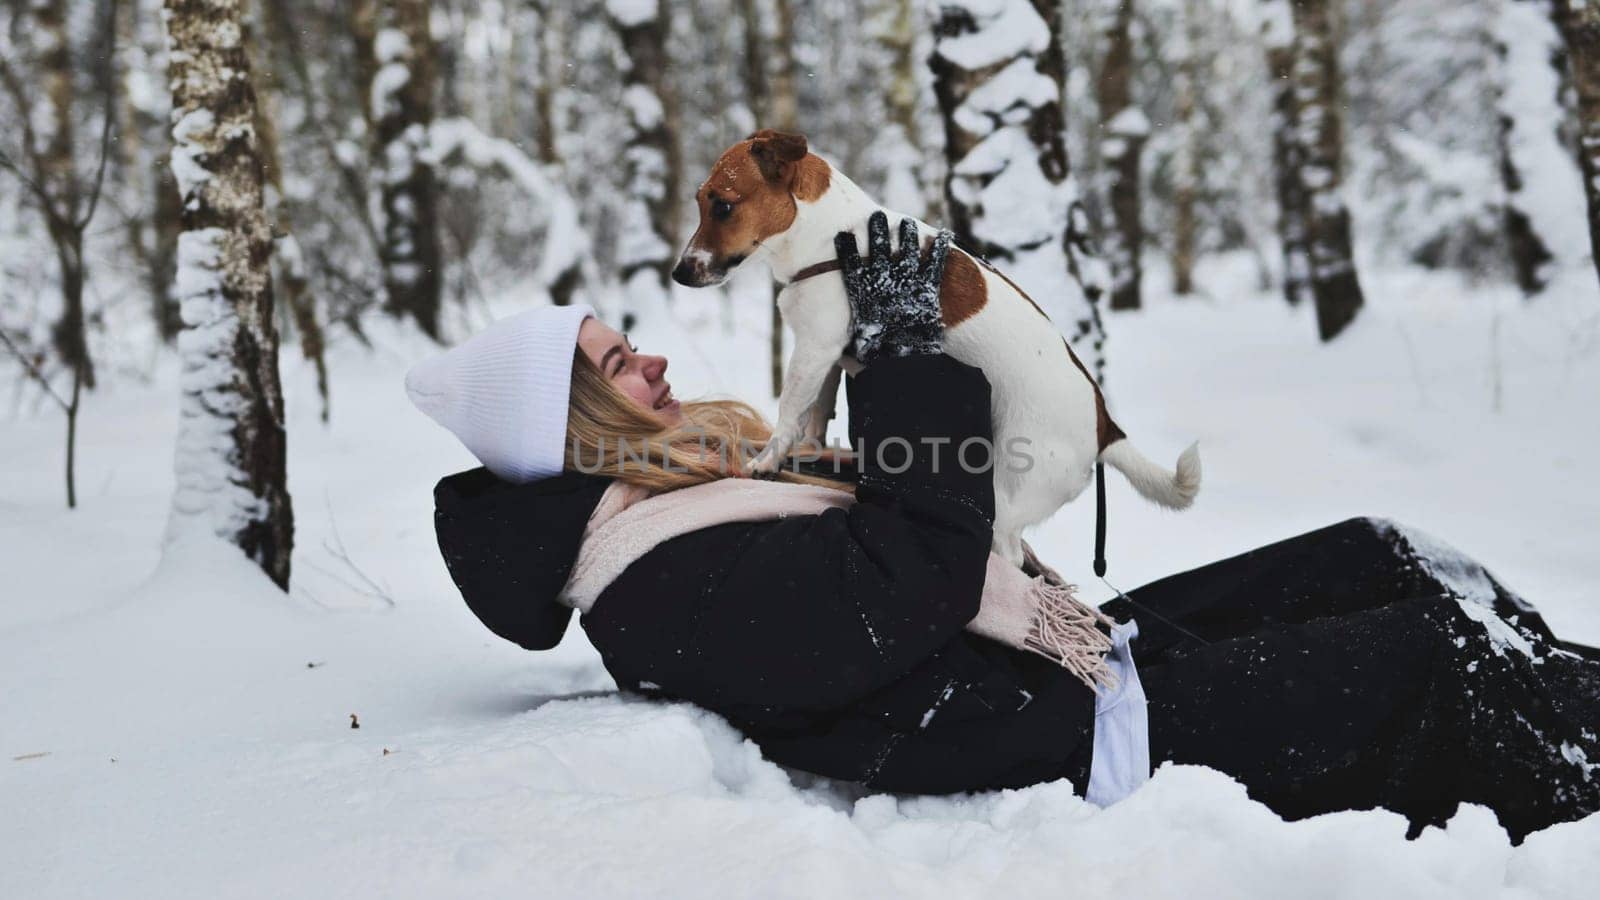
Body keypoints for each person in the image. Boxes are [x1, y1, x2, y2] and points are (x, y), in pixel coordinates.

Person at [405, 213, 1600, 844]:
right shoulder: (650, 583)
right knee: (1425, 661)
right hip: (1036, 730)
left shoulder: (687, 505)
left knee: (1372, 552)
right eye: (619, 361)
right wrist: (899, 353)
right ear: (580, 424)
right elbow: (912, 571)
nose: (652, 357)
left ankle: (1572, 686)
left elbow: (905, 559)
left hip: (1038, 658)